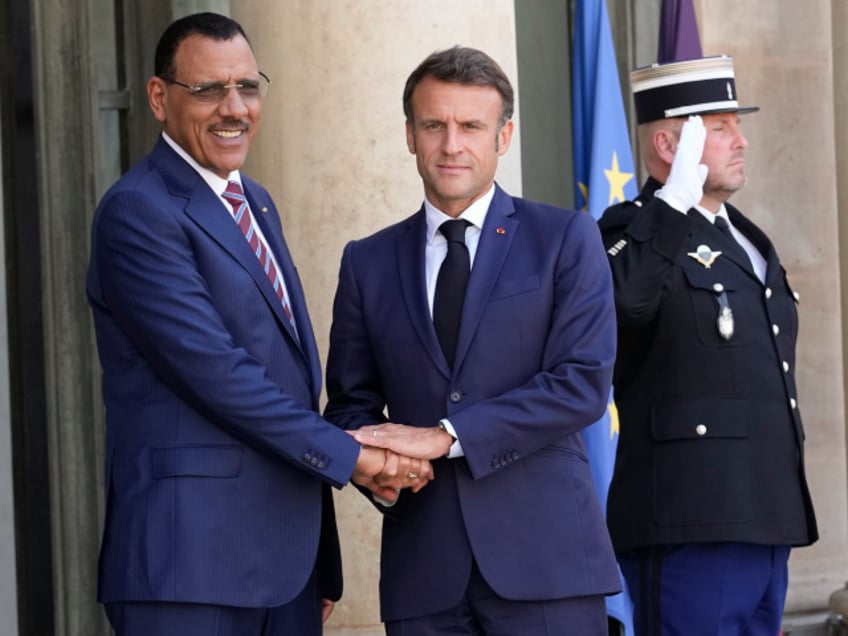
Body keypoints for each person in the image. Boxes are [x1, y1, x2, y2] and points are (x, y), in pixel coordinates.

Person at [85, 12, 430, 636]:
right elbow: (218, 373)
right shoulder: (138, 211)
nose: (234, 108)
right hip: (190, 571)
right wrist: (352, 456)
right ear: (159, 98)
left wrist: (319, 560)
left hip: (284, 571)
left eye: (247, 86)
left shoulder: (255, 201)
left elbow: (287, 379)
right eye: (208, 89)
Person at [323, 45, 621, 635]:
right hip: (423, 574)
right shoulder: (367, 261)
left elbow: (581, 385)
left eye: (471, 126)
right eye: (434, 125)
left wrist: (444, 436)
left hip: (546, 567)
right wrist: (378, 467)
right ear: (410, 135)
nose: (451, 144)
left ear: (503, 136)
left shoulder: (565, 237)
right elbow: (350, 405)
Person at [598, 55, 819, 635]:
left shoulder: (744, 236)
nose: (740, 141)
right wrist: (671, 202)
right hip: (690, 517)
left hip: (764, 513)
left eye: (736, 126)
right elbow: (620, 305)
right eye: (719, 128)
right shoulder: (629, 229)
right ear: (669, 144)